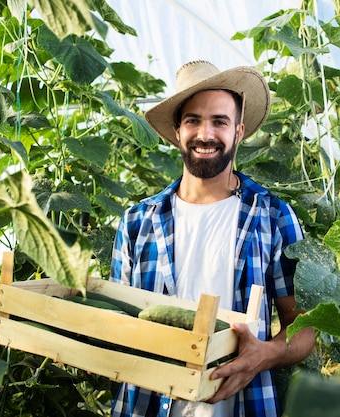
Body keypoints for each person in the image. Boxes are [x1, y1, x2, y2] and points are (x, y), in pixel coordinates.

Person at [109, 60, 315, 417]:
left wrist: (267, 354)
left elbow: (305, 326)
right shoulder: (137, 222)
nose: (205, 134)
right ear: (177, 130)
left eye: (219, 121)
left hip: (244, 406)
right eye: (193, 120)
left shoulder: (273, 216)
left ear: (239, 131)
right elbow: (116, 323)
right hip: (147, 405)